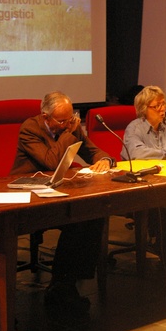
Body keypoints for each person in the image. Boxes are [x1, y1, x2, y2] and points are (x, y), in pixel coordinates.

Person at [10, 91, 115, 315]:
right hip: (29, 193)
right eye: (62, 120)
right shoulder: (30, 128)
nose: (68, 123)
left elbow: (93, 151)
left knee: (91, 213)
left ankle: (66, 282)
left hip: (58, 189)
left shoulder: (69, 126)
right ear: (46, 117)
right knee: (76, 218)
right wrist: (70, 132)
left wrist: (104, 160)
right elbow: (50, 161)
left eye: (71, 118)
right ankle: (63, 285)